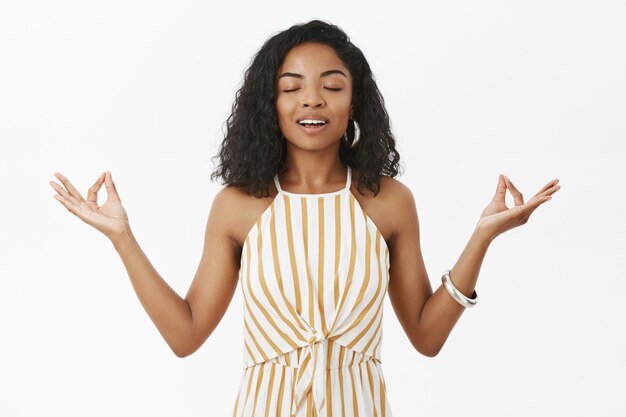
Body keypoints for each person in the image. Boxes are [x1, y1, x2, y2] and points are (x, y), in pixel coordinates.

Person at [49, 19, 561, 417]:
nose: (312, 99)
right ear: (269, 103)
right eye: (291, 86)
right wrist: (122, 237)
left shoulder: (388, 201)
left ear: (353, 101)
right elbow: (185, 336)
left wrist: (483, 237)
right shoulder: (238, 205)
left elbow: (427, 339)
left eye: (331, 86)